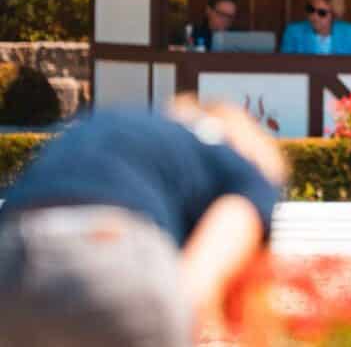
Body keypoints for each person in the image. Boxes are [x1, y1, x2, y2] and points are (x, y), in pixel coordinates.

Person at [0, 97, 287, 347]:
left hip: (11, 257)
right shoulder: (235, 164)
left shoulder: (110, 127)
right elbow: (201, 275)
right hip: (111, 253)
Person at [280, 0, 351, 55]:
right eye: (310, 9)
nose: (314, 16)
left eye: (321, 13)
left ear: (334, 14)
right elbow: (286, 68)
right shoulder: (293, 33)